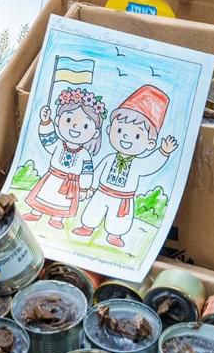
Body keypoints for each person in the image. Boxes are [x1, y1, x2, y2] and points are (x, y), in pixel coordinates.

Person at [75, 85, 178, 248]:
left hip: (123, 198)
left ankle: (115, 234)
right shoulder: (109, 158)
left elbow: (151, 165)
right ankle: (87, 227)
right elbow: (98, 172)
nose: (125, 137)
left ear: (150, 143)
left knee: (119, 219)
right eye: (120, 130)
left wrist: (163, 152)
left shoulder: (139, 164)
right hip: (102, 192)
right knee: (93, 210)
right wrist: (90, 188)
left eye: (137, 135)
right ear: (109, 130)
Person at [23, 88, 105, 229]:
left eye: (85, 125)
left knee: (62, 202)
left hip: (70, 184)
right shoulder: (58, 144)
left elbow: (87, 172)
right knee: (44, 195)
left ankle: (57, 218)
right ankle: (36, 212)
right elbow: (48, 140)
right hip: (53, 178)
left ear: (95, 133)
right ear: (57, 120)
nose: (75, 126)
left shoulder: (84, 154)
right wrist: (45, 122)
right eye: (68, 119)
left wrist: (84, 188)